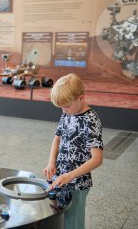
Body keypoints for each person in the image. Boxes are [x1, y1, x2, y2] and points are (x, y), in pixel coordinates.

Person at [42, 73, 104, 229]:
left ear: (81, 98)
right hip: (60, 178)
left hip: (77, 183)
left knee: (73, 223)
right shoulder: (67, 113)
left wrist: (70, 175)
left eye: (67, 106)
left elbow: (97, 159)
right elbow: (57, 138)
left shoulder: (90, 121)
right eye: (62, 107)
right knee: (58, 218)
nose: (64, 110)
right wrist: (51, 163)